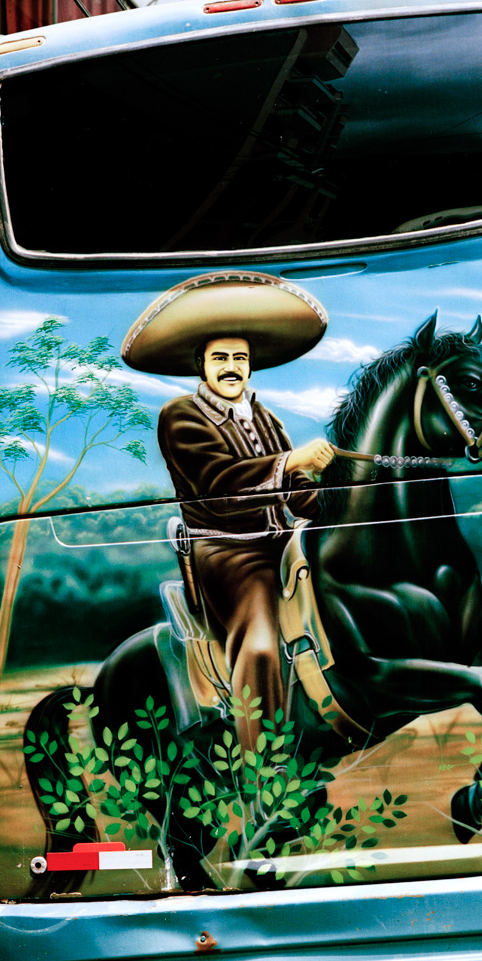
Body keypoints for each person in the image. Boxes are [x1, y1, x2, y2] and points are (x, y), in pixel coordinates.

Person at [122, 272, 333, 758]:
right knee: (259, 645)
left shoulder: (267, 417)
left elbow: (298, 496)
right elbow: (219, 487)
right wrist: (291, 461)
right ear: (202, 365)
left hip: (284, 544)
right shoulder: (180, 416)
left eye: (240, 358)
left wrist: (337, 493)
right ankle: (266, 778)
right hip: (228, 553)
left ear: (251, 366)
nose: (231, 367)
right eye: (221, 358)